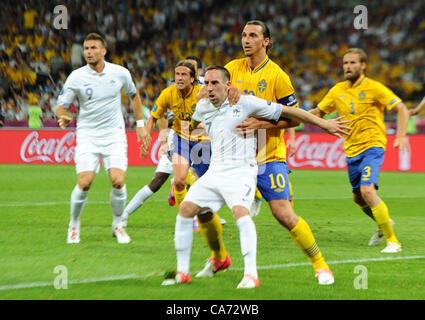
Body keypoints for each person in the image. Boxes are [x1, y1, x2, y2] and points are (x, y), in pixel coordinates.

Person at [162, 66, 350, 288]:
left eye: (215, 83)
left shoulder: (246, 102)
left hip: (243, 170)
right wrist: (186, 135)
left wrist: (325, 123)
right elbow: (192, 125)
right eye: (207, 84)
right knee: (186, 210)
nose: (210, 88)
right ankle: (184, 272)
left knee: (251, 213)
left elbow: (291, 113)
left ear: (228, 85)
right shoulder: (203, 106)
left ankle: (254, 274)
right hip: (215, 171)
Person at [196, 20, 336, 285]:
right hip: (233, 160)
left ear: (266, 41)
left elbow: (294, 119)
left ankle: (321, 266)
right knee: (202, 208)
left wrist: (260, 124)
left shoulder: (278, 76)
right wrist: (216, 93)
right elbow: (204, 95)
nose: (246, 40)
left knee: (284, 214)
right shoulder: (231, 69)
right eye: (243, 35)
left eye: (253, 35)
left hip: (268, 155)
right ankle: (219, 258)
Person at [310, 48, 409, 253]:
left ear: (363, 65)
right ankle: (384, 223)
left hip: (372, 146)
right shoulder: (337, 90)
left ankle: (393, 241)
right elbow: (318, 112)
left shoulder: (374, 88)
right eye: (345, 63)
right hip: (351, 149)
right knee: (358, 198)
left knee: (367, 190)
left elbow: (401, 108)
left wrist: (400, 136)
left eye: (352, 63)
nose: (348, 67)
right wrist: (292, 115)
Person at [56, 33, 149, 244]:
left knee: (118, 181)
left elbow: (134, 95)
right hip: (88, 135)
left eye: (93, 48)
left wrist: (141, 124)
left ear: (103, 51)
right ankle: (74, 224)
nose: (89, 52)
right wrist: (63, 116)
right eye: (86, 48)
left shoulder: (120, 73)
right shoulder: (77, 77)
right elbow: (62, 105)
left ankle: (117, 225)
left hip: (114, 135)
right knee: (85, 182)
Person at [140, 60, 210, 213]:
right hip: (181, 138)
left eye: (183, 74)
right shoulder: (168, 93)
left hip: (203, 140)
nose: (179, 77)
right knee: (179, 181)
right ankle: (185, 218)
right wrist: (147, 137)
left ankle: (203, 213)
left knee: (203, 186)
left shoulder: (203, 93)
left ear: (192, 78)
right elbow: (153, 117)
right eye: (177, 74)